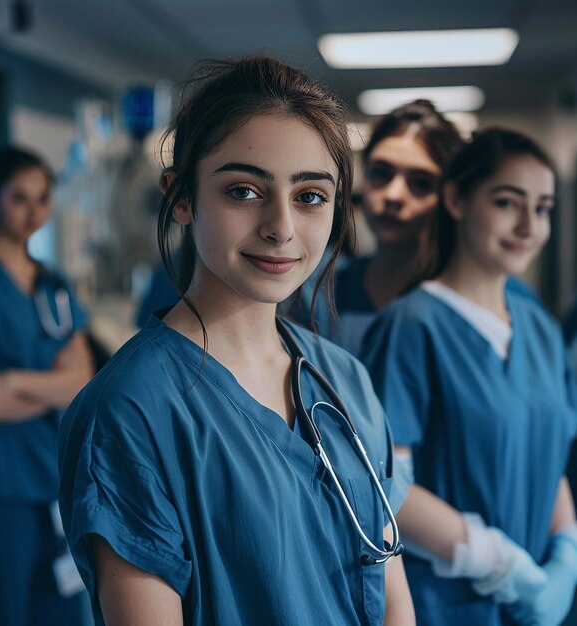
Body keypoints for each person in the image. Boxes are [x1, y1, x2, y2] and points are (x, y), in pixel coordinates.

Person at [57, 55, 415, 626]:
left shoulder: (341, 378)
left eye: (310, 196)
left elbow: (393, 592)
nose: (281, 226)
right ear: (179, 197)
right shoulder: (131, 410)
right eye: (245, 191)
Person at [361, 128, 577, 625]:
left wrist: (565, 555)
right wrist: (495, 560)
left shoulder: (540, 329)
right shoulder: (412, 325)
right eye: (508, 203)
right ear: (456, 199)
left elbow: (549, 454)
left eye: (542, 209)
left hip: (532, 602)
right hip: (443, 603)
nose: (528, 226)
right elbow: (382, 482)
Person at [0, 146, 94, 626]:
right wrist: (52, 383)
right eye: (19, 197)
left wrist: (14, 378)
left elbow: (84, 382)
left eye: (42, 198)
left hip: (53, 476)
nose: (34, 211)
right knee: (4, 614)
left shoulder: (52, 282)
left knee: (60, 611)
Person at [331, 100, 464, 354]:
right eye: (381, 174)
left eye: (421, 183)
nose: (393, 195)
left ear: (451, 197)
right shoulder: (325, 291)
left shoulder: (470, 297)